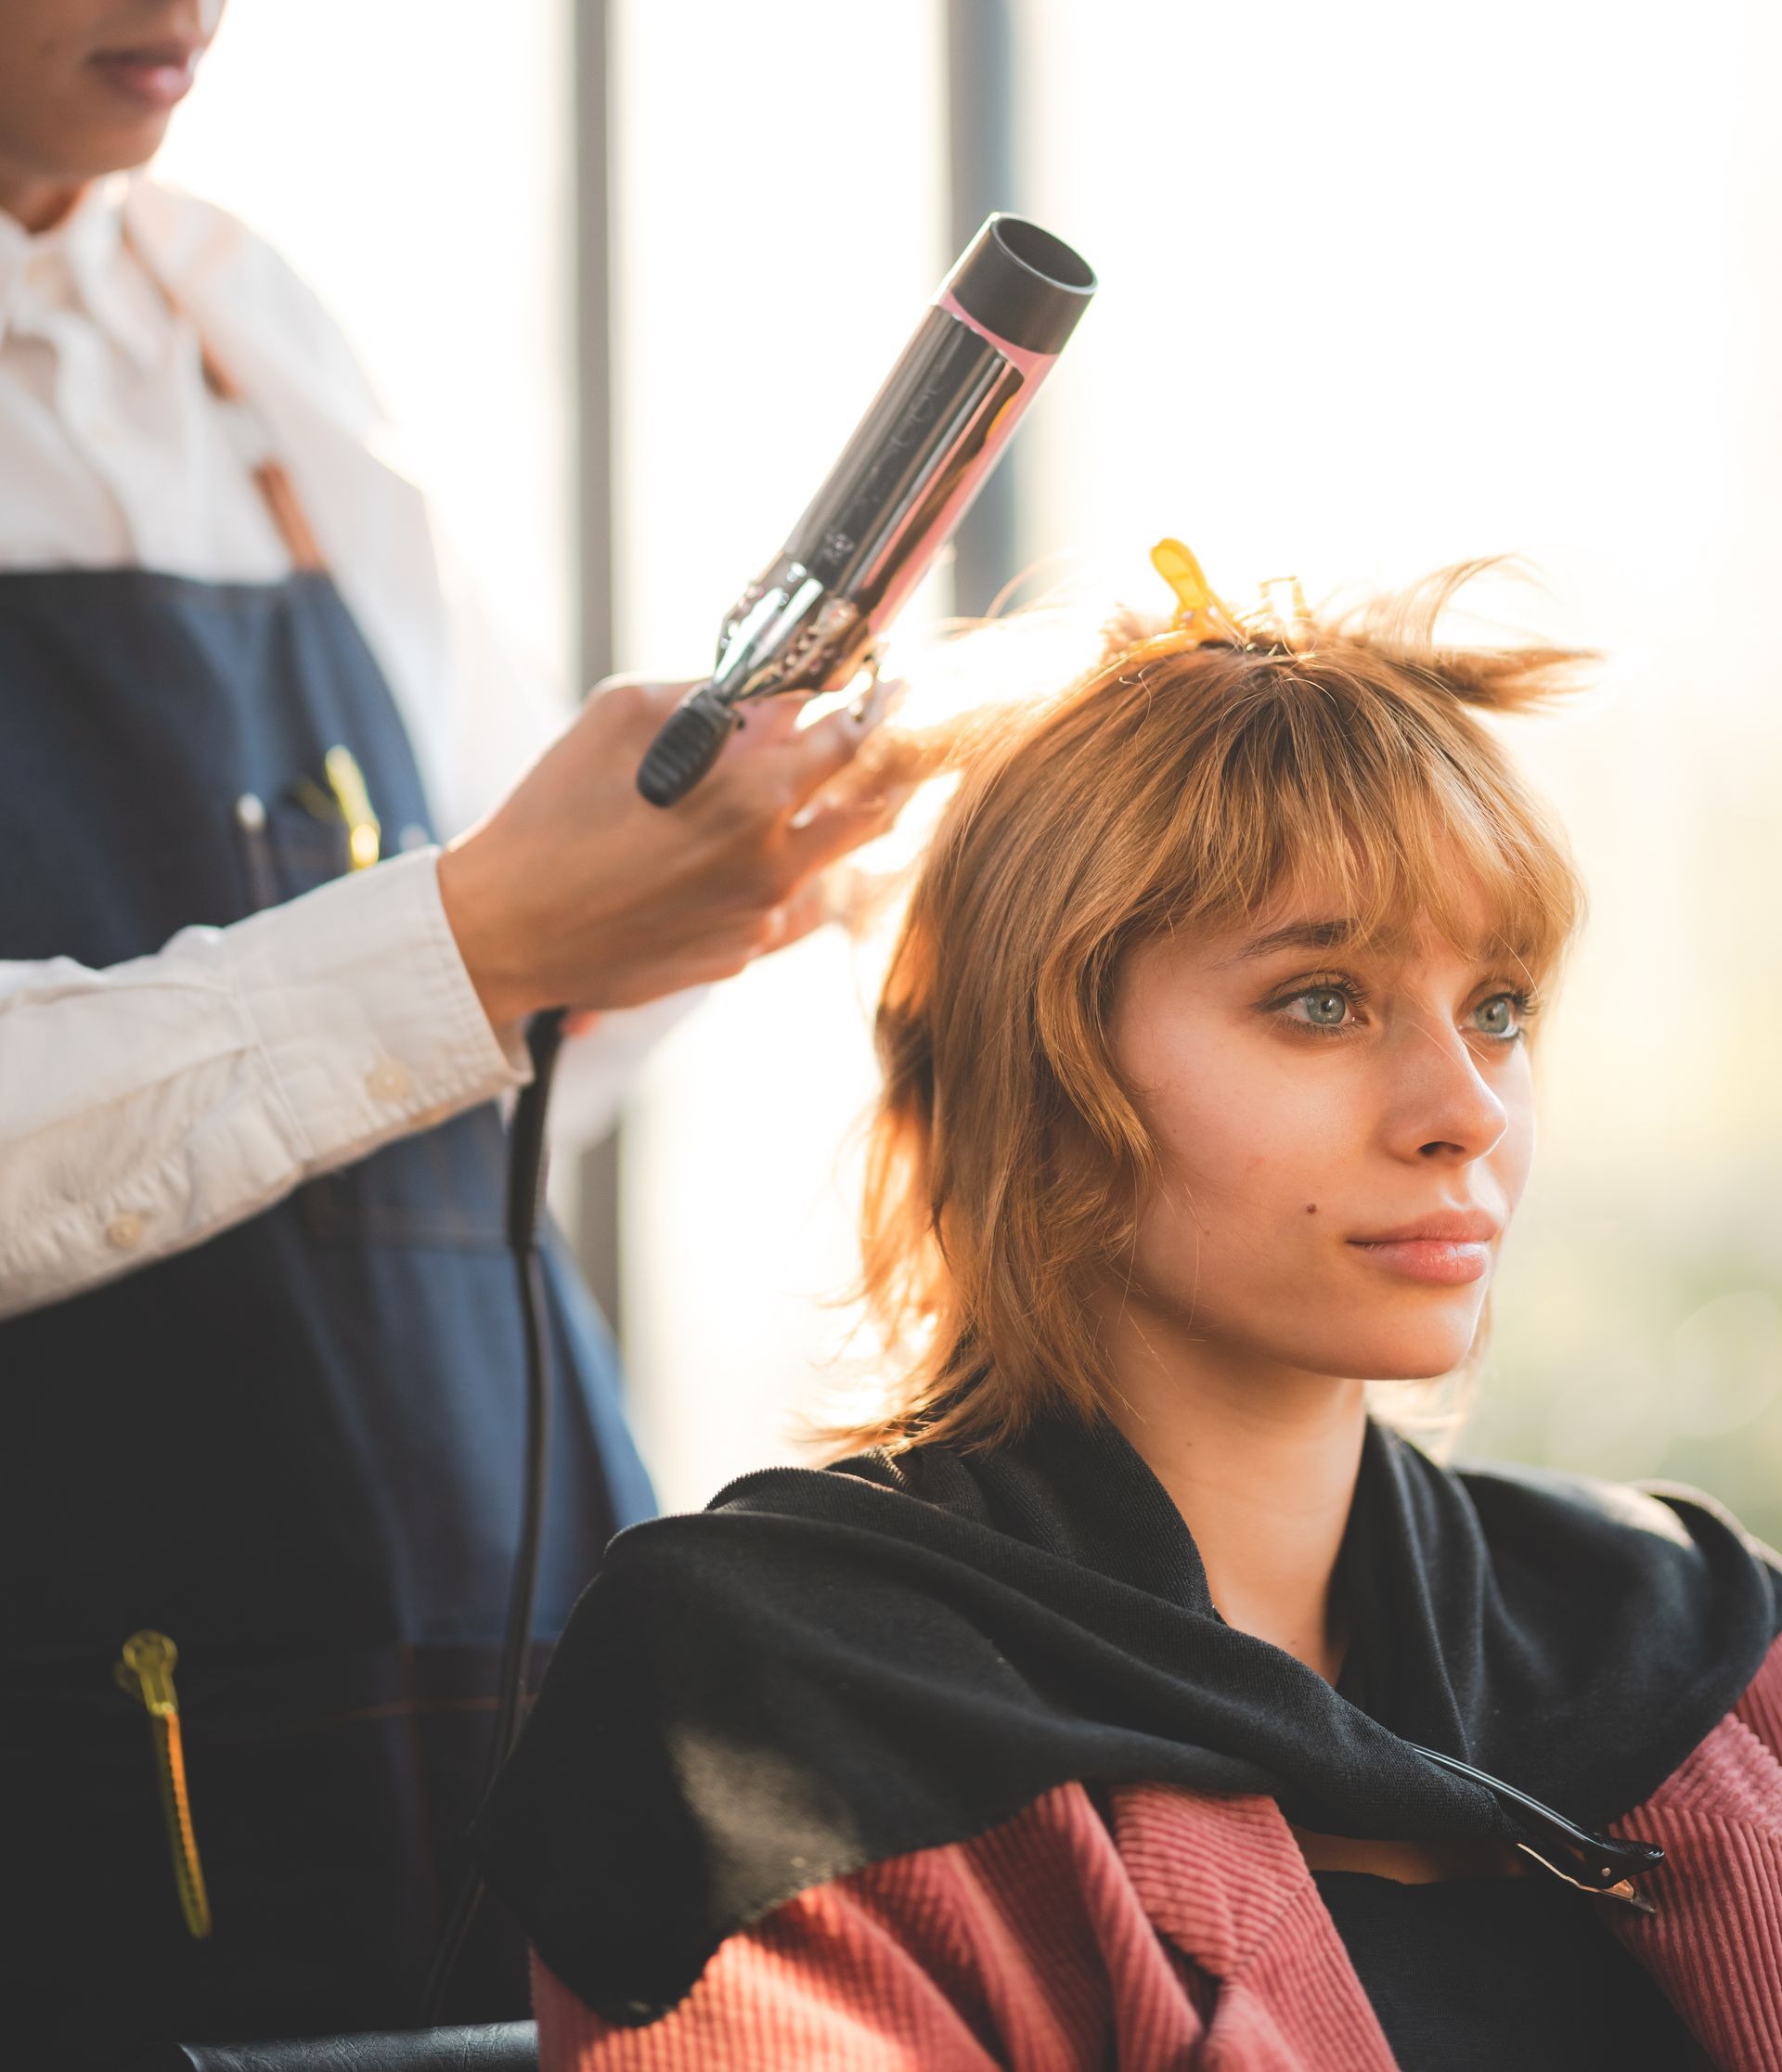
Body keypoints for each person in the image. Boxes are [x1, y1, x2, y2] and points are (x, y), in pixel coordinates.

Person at [0, 0, 893, 2063]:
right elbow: (426, 963)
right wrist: (485, 926)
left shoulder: (243, 327)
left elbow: (476, 1077)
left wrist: (726, 866)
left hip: (491, 1714)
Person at [478, 547, 1782, 2070]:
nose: (1465, 1110)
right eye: (1322, 1001)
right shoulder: (777, 1696)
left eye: (1498, 1008)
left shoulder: (1691, 1636)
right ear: (1042, 1077)